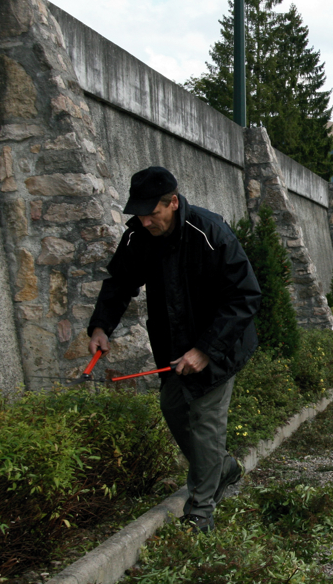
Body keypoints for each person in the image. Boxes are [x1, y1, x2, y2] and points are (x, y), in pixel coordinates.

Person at [87, 166, 261, 533]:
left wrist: (205, 350)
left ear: (174, 203)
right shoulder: (138, 237)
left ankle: (200, 511)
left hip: (219, 345)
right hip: (173, 347)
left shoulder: (209, 231)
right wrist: (102, 325)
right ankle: (223, 468)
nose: (146, 221)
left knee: (204, 423)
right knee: (172, 407)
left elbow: (245, 296)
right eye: (140, 214)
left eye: (153, 213)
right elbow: (120, 282)